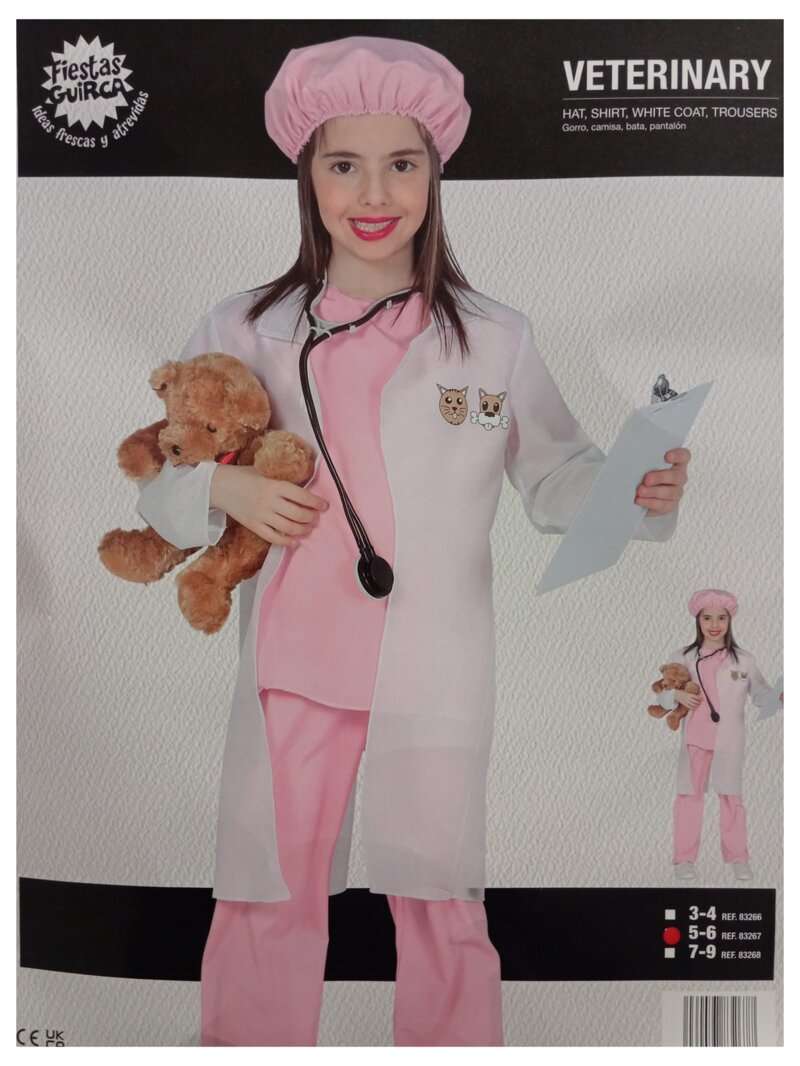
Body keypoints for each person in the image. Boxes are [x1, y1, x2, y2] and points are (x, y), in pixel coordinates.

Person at [137, 36, 690, 1047]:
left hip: (429, 667)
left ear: (435, 173)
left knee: (442, 905)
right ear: (306, 175)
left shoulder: (493, 336)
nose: (373, 193)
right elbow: (160, 473)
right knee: (266, 898)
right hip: (295, 665)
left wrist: (631, 487)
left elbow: (556, 476)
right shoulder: (245, 326)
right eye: (343, 164)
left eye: (402, 163)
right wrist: (222, 483)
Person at [656, 589, 778, 884]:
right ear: (697, 620)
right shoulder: (683, 657)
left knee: (731, 797)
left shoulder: (744, 660)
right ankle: (684, 859)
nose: (714, 624)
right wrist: (677, 696)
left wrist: (779, 696)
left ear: (730, 620)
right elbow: (661, 695)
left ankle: (739, 859)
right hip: (695, 738)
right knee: (689, 797)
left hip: (729, 740)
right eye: (707, 617)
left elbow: (761, 694)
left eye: (721, 618)